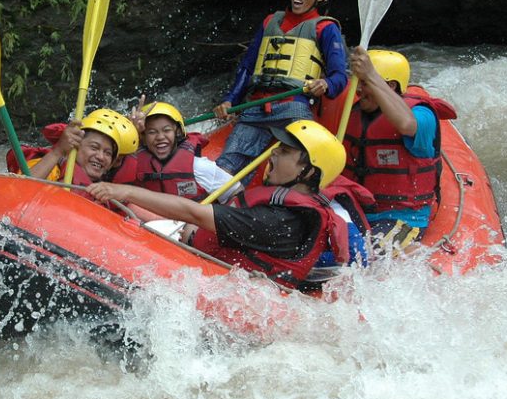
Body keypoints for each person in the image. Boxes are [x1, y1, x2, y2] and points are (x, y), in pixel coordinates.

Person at [88, 120, 350, 291]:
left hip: (223, 289)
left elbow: (194, 212)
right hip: (206, 254)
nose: (273, 153)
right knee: (132, 210)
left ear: (307, 172)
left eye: (285, 151)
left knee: (134, 211)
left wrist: (123, 189)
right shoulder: (285, 209)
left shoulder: (280, 221)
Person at [211, 0, 348, 182]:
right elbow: (247, 67)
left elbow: (340, 77)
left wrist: (326, 84)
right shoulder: (270, 22)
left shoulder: (326, 28)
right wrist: (230, 100)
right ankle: (219, 208)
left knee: (295, 170)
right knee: (225, 168)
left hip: (293, 107)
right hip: (256, 107)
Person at [342, 47, 458, 249]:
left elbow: (406, 124)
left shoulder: (422, 115)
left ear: (390, 85)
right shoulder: (353, 113)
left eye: (365, 83)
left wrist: (371, 74)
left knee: (366, 257)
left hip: (403, 217)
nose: (358, 89)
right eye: (358, 81)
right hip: (357, 211)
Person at [111, 102, 241, 203]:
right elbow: (110, 165)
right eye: (152, 132)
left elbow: (236, 192)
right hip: (148, 225)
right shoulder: (134, 162)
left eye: (166, 130)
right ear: (143, 137)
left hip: (191, 229)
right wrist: (131, 130)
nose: (160, 137)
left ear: (178, 133)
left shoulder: (199, 167)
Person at [25, 109, 132, 195]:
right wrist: (58, 151)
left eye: (108, 153)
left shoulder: (106, 190)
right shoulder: (52, 168)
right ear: (75, 145)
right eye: (94, 148)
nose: (101, 157)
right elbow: (21, 188)